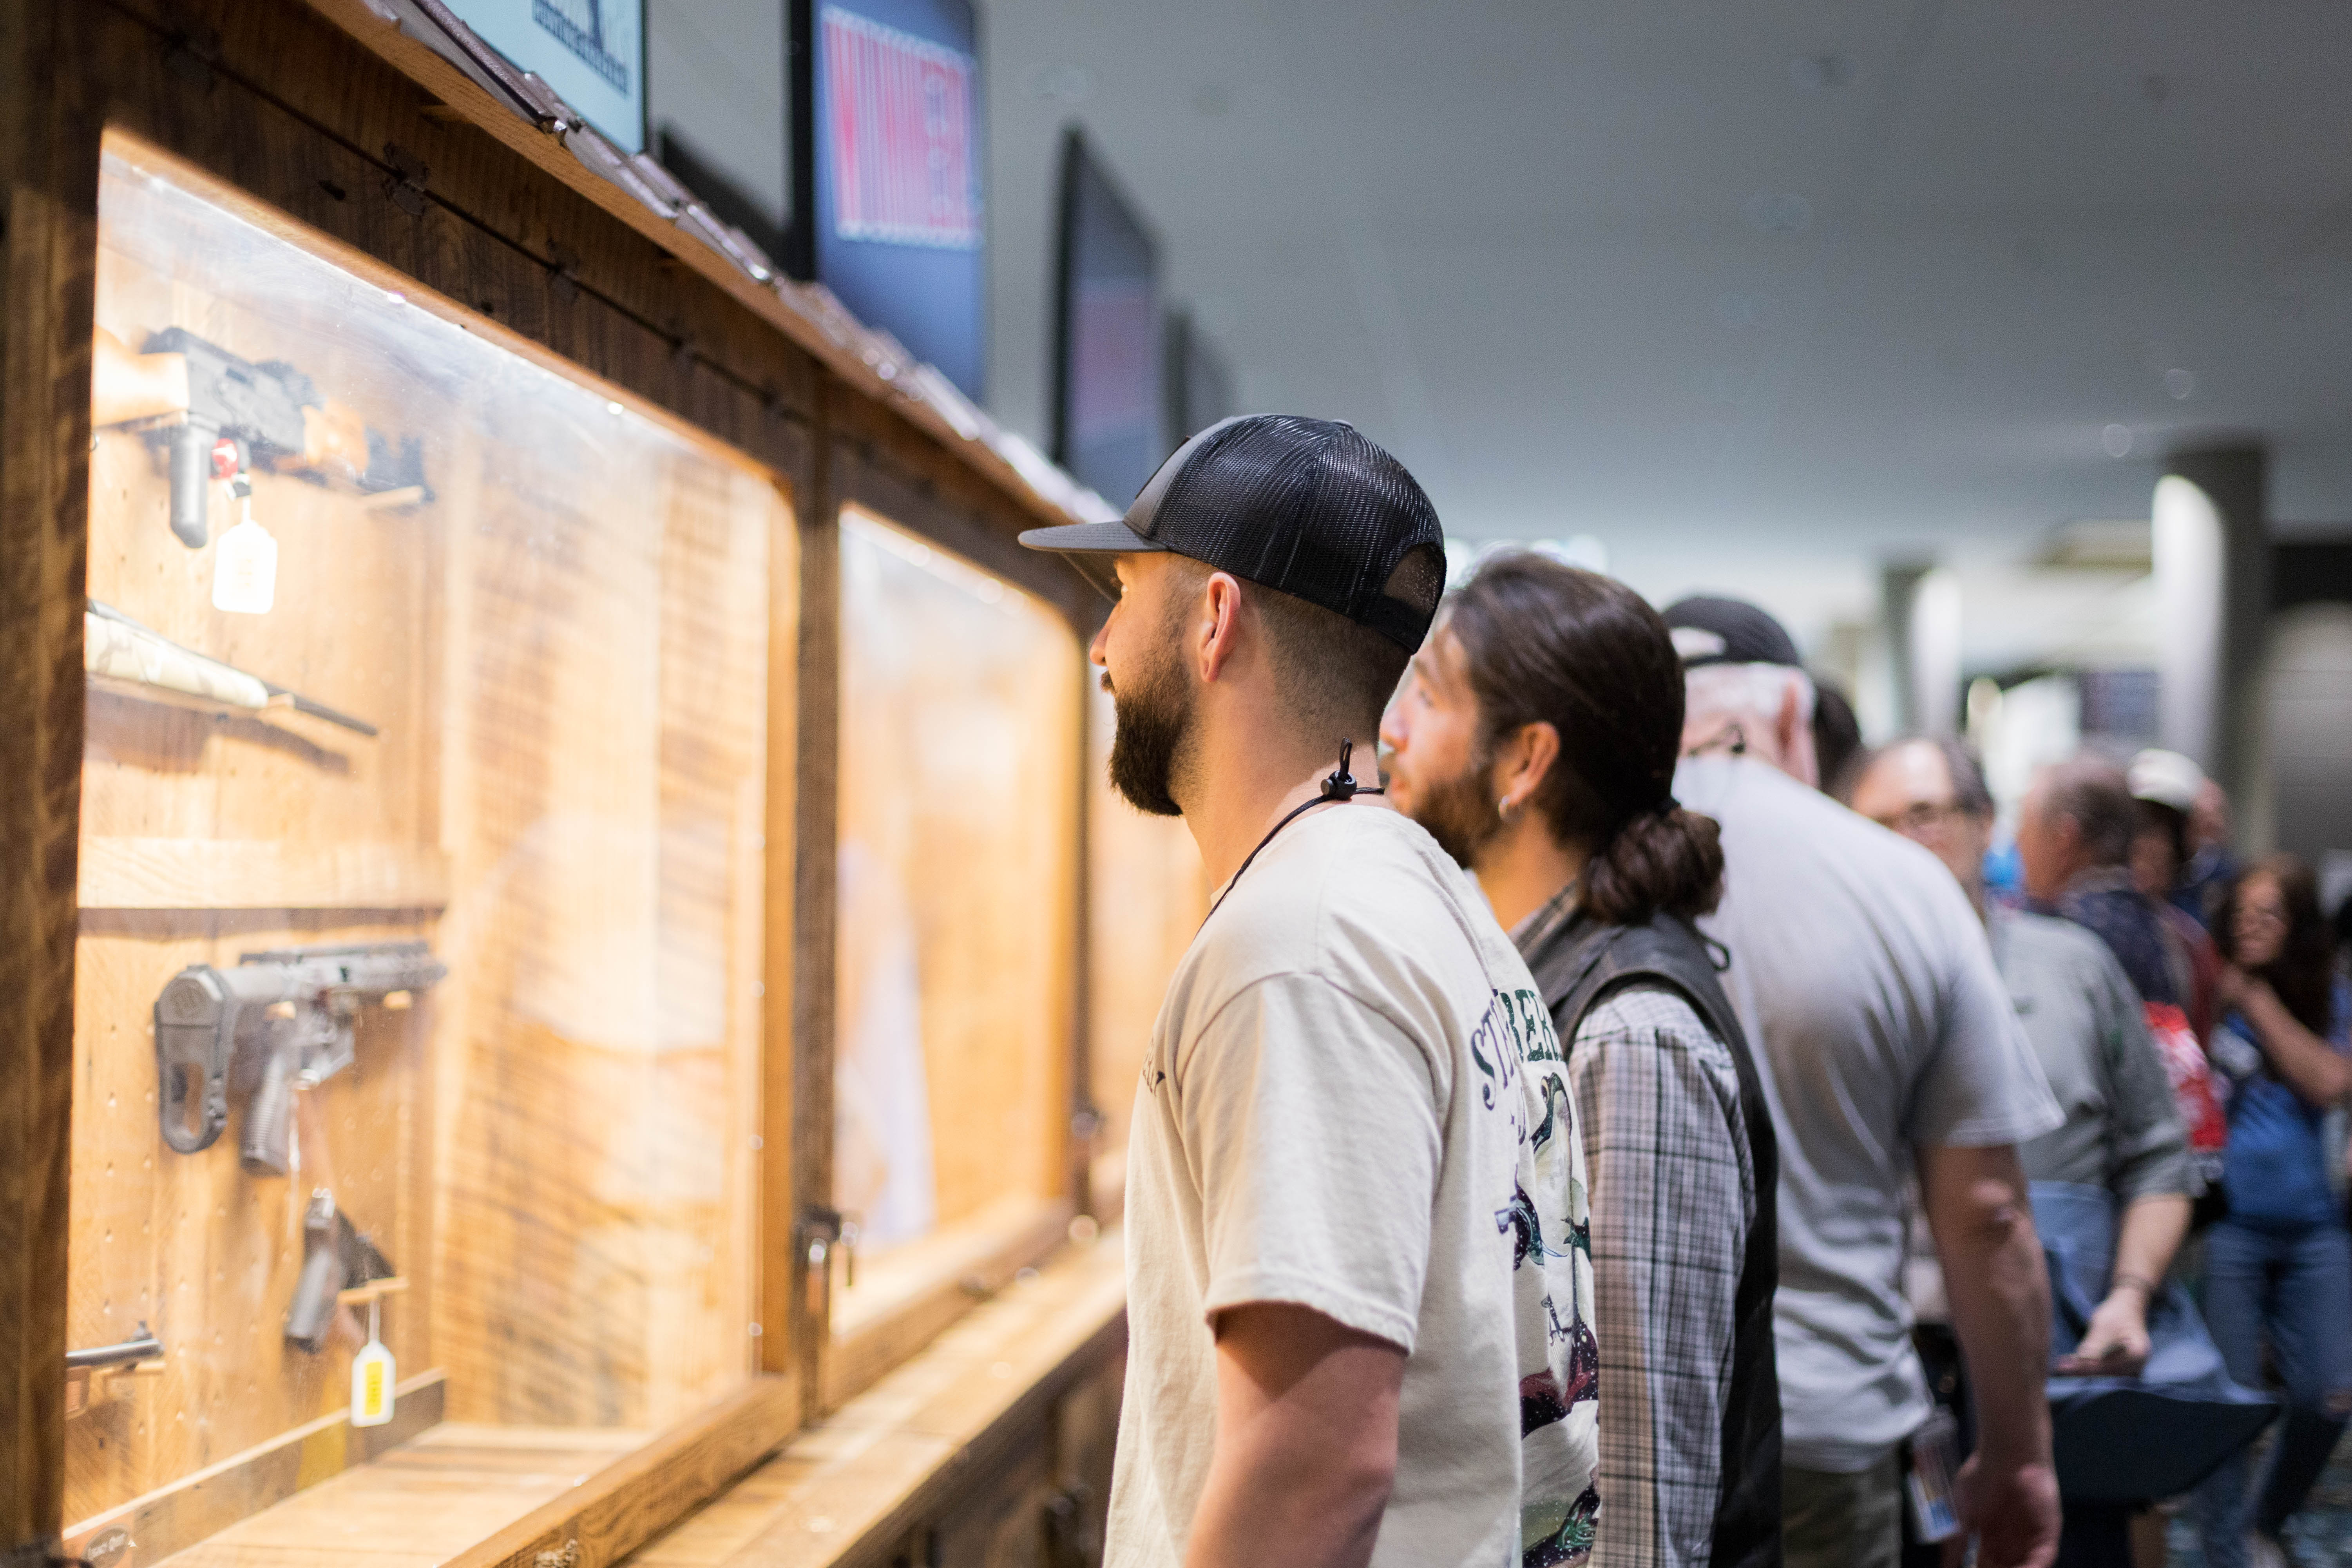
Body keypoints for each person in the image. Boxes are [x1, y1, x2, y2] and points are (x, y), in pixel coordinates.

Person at [1021, 414, 1601, 1568]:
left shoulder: (1302, 946)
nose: (1101, 646)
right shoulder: (1417, 888)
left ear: (1214, 618)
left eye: (1125, 592)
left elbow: (1318, 1455)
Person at [1380, 553, 1780, 1568]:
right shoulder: (1533, 968)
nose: (1392, 729)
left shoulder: (1631, 1031)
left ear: (1524, 763)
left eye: (1426, 695)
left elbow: (1637, 1495)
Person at [1661, 595, 2063, 1568]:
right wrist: (2017, 1454)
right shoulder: (1901, 884)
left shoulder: (1555, 870)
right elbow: (1988, 1215)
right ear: (1795, 714)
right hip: (1829, 1425)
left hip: (1624, 1429)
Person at [1850, 739, 2198, 1568]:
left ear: (1983, 824)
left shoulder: (2073, 967)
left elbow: (2159, 1157)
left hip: (2059, 1358)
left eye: (1925, 814)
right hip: (1892, 1374)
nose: (1903, 839)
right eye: (1874, 823)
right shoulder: (1832, 984)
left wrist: (2128, 1294)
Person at [2192, 857, 2352, 1568]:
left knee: (2329, 1392)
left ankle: (2266, 1518)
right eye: (2243, 913)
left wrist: (2255, 1001)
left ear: (2296, 927)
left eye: (2270, 914)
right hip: (2228, 1228)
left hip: (2314, 1225)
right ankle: (2227, 1549)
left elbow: (2328, 1080)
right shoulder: (2200, 990)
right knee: (2229, 1403)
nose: (2252, 926)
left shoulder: (2328, 997)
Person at [2128, 748, 2223, 1048]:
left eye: (2162, 832)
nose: (2146, 847)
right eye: (2137, 828)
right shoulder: (2084, 921)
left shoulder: (2191, 943)